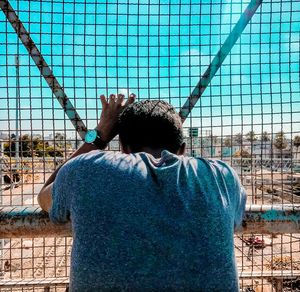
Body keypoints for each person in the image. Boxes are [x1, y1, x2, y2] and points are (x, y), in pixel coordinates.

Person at [38, 93, 246, 291]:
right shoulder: (222, 177)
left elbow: (44, 196)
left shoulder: (85, 169)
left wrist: (100, 134)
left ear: (122, 147)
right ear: (182, 149)